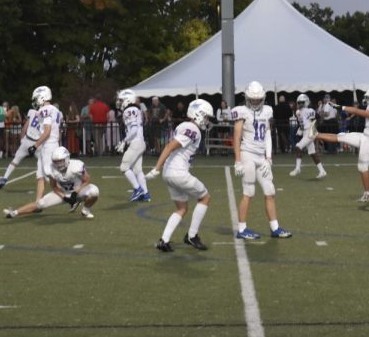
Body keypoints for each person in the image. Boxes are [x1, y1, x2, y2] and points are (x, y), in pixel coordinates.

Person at [144, 99, 216, 252]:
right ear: (198, 114)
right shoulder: (192, 128)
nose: (207, 120)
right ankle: (192, 235)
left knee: (182, 208)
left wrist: (160, 169)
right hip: (178, 173)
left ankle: (164, 240)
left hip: (169, 173)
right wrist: (156, 167)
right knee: (205, 197)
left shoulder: (184, 126)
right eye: (206, 116)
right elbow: (170, 146)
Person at [231, 81, 292, 240]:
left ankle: (275, 228)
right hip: (247, 154)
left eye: (258, 99)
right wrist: (238, 160)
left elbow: (267, 134)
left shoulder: (267, 111)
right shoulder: (241, 111)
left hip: (261, 157)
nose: (256, 102)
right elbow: (237, 137)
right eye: (253, 99)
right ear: (247, 97)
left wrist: (269, 157)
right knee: (249, 192)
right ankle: (242, 229)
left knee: (270, 191)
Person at [309, 87, 369, 203]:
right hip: (366, 137)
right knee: (341, 136)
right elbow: (363, 112)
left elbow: (364, 113)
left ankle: (368, 193)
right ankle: (316, 135)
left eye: (368, 97)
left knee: (362, 167)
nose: (366, 99)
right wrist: (344, 108)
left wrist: (343, 107)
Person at [4, 148, 98, 220]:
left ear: (66, 159)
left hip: (79, 190)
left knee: (94, 191)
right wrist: (64, 197)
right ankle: (15, 212)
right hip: (63, 192)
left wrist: (75, 193)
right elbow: (53, 186)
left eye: (60, 161)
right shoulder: (51, 169)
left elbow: (87, 180)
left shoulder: (76, 166)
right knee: (40, 203)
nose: (58, 164)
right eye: (56, 162)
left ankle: (85, 209)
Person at [0, 87, 49, 192]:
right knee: (44, 164)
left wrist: (22, 138)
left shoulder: (32, 112)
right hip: (37, 143)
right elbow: (46, 132)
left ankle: (4, 179)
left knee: (15, 161)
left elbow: (25, 126)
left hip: (27, 140)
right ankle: (54, 183)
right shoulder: (47, 116)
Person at [115, 89, 151, 202]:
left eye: (121, 100)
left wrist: (124, 141)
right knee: (137, 170)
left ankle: (138, 189)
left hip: (135, 142)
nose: (119, 103)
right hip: (140, 142)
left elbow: (134, 129)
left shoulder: (129, 109)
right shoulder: (135, 109)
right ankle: (145, 194)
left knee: (124, 167)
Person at [288, 93, 327, 179]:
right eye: (299, 102)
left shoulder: (310, 110)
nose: (300, 104)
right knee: (312, 153)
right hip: (305, 132)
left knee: (298, 146)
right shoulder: (298, 112)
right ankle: (322, 171)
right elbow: (302, 124)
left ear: (306, 102)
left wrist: (312, 133)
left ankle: (298, 168)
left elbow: (314, 121)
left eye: (302, 102)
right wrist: (300, 131)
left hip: (310, 131)